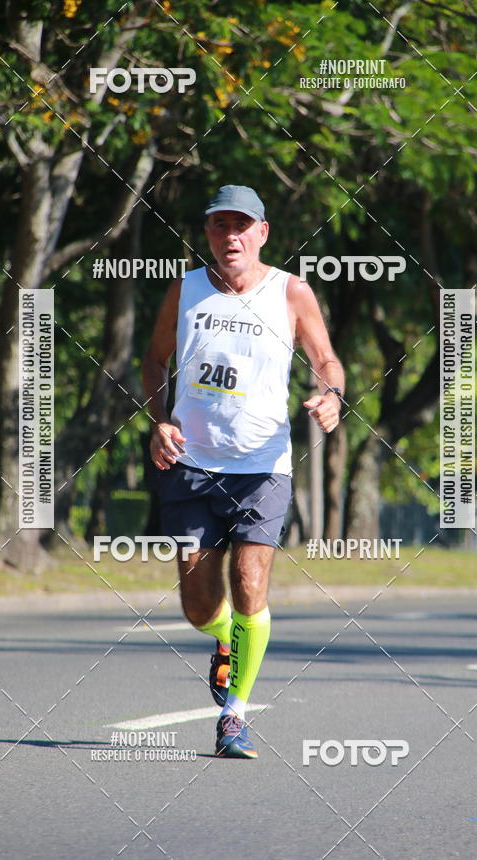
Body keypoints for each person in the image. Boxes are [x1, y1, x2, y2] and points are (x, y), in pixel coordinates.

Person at [142, 184, 344, 759]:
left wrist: (331, 395)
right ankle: (225, 638)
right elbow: (155, 359)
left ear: (262, 232)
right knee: (198, 606)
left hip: (262, 467)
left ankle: (234, 715)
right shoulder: (186, 290)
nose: (230, 236)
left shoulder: (291, 292)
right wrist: (159, 420)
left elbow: (326, 359)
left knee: (251, 583)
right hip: (189, 464)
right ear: (207, 233)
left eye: (241, 226)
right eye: (219, 226)